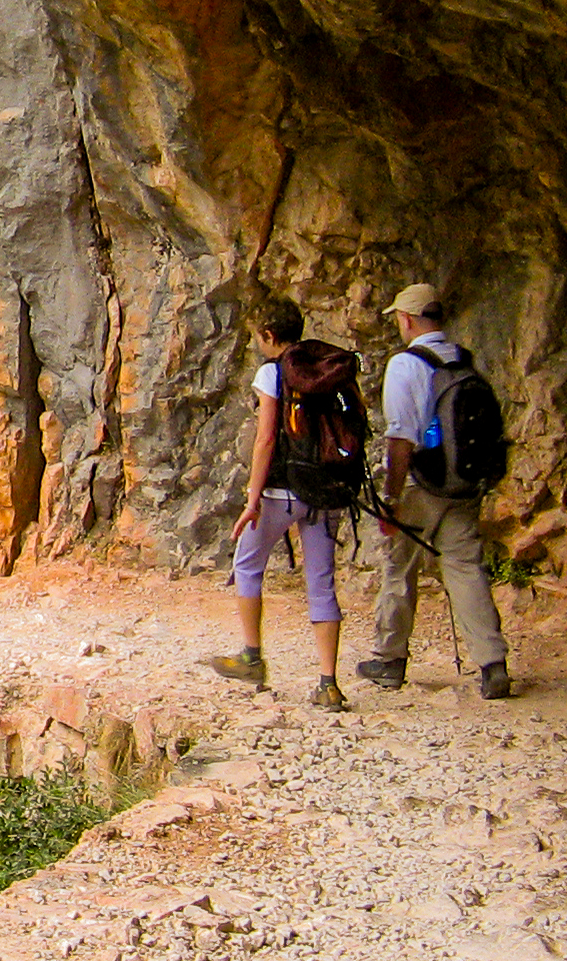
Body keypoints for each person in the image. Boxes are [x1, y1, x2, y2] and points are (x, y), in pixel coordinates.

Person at [360, 284, 511, 699]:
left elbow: (400, 438)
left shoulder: (405, 365)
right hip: (461, 482)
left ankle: (390, 660)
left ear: (406, 319)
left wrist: (390, 499)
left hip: (419, 484)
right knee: (465, 567)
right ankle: (492, 663)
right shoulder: (463, 360)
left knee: (399, 569)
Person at [210, 298, 358, 710]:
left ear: (269, 336)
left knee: (247, 565)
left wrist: (252, 499)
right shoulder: (323, 369)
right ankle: (329, 683)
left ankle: (252, 657)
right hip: (325, 490)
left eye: (259, 336)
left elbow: (267, 438)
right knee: (322, 583)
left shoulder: (272, 373)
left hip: (281, 492)